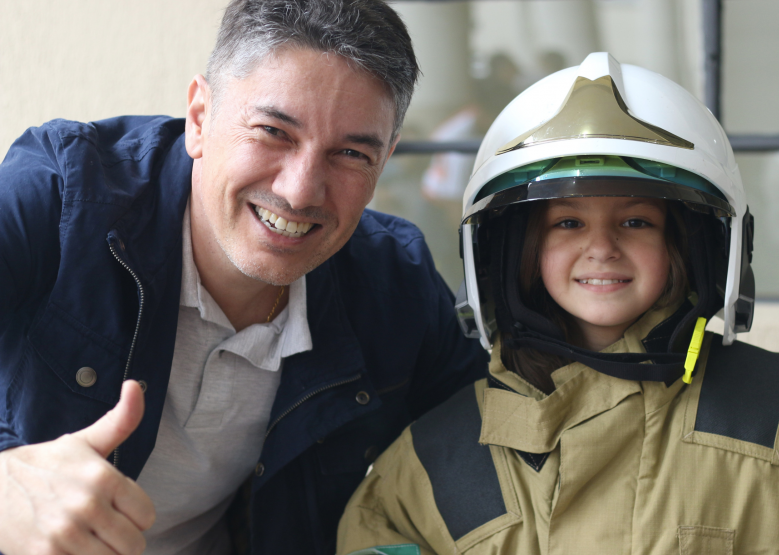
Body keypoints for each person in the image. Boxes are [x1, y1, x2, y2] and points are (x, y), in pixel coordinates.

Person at [336, 53, 779, 554]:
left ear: (691, 245)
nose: (602, 248)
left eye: (636, 221)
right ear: (513, 251)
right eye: (568, 222)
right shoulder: (430, 462)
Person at [0, 1, 492, 554]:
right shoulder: (61, 194)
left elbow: (493, 445)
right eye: (273, 131)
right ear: (199, 117)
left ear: (385, 161)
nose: (299, 191)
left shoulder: (394, 285)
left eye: (351, 153)